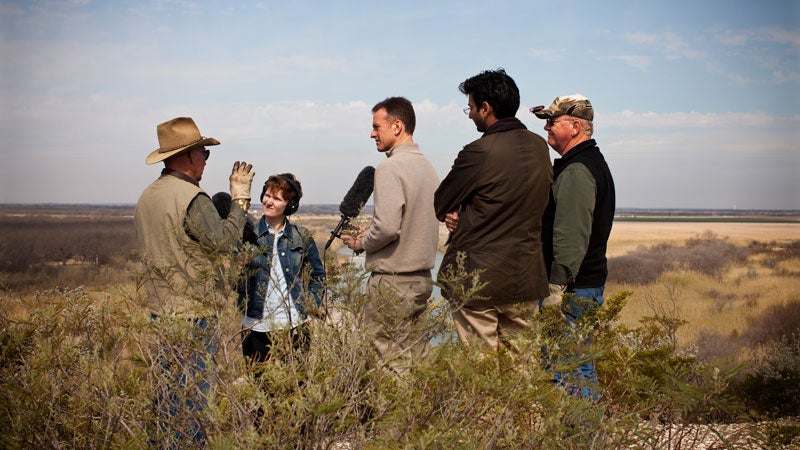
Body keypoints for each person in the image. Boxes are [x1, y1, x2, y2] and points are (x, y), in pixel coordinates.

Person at [134, 116, 255, 445]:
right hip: (193, 313)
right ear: (187, 156)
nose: (204, 160)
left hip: (161, 311)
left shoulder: (148, 196)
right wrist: (240, 200)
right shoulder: (192, 197)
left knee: (168, 397)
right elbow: (227, 243)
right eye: (203, 153)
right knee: (195, 401)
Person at [434, 69, 552, 353]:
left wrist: (459, 212)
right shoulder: (539, 147)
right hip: (526, 277)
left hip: (479, 282)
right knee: (522, 372)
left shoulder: (480, 151)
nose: (470, 114)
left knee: (481, 374)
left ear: (486, 108)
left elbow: (441, 201)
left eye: (471, 107)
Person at [341, 96, 440, 372]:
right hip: (421, 281)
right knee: (415, 358)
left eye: (376, 126)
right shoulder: (427, 167)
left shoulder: (389, 167)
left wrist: (361, 242)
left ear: (397, 126)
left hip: (392, 284)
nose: (372, 133)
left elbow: (387, 227)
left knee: (388, 364)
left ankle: (393, 416)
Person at [531, 94, 616, 399]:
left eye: (553, 122)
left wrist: (556, 291)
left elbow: (569, 239)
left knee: (565, 371)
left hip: (572, 291)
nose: (547, 129)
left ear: (576, 126)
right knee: (580, 368)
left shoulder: (577, 170)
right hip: (583, 288)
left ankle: (576, 438)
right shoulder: (584, 163)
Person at [237, 173, 325, 366]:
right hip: (255, 324)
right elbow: (232, 283)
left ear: (290, 206)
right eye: (267, 195)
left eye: (276, 198)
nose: (268, 201)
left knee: (297, 387)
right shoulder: (246, 235)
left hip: (295, 323)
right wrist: (239, 266)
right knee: (258, 385)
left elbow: (318, 276)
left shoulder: (301, 236)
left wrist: (310, 307)